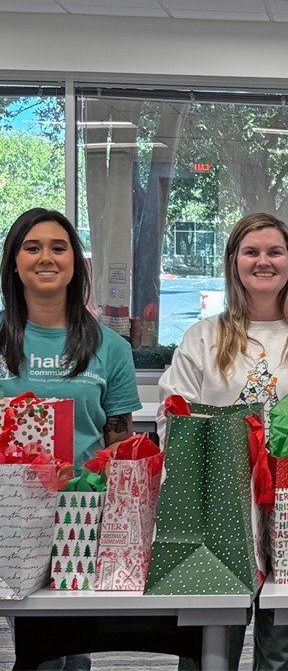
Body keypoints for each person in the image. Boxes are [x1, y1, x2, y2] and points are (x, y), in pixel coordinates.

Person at [158, 212, 288, 670]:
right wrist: (226, 460)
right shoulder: (203, 336)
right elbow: (175, 415)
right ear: (234, 261)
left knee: (284, 648)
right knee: (209, 644)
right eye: (251, 252)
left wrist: (286, 467)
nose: (263, 261)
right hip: (215, 507)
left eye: (275, 252)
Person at [1, 208, 142, 671]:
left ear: (75, 263)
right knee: (34, 644)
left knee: (70, 646)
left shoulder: (110, 348)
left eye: (58, 248)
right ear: (14, 262)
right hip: (9, 517)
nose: (46, 257)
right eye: (32, 247)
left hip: (80, 515)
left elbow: (119, 443)